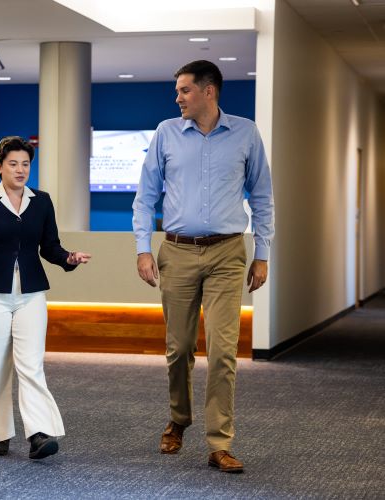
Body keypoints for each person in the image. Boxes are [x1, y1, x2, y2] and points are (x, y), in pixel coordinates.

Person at [132, 60, 274, 473]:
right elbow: (146, 197)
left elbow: (262, 196)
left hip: (228, 254)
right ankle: (179, 417)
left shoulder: (245, 133)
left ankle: (219, 442)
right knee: (178, 349)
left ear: (209, 91)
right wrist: (144, 249)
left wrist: (262, 253)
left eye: (184, 90)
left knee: (223, 351)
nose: (177, 97)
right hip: (176, 252)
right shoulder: (166, 133)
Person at [0, 136, 91, 460]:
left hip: (30, 294)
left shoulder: (41, 201)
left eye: (26, 164)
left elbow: (50, 247)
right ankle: (1, 435)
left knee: (31, 364)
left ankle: (39, 434)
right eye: (13, 164)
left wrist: (68, 258)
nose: (20, 170)